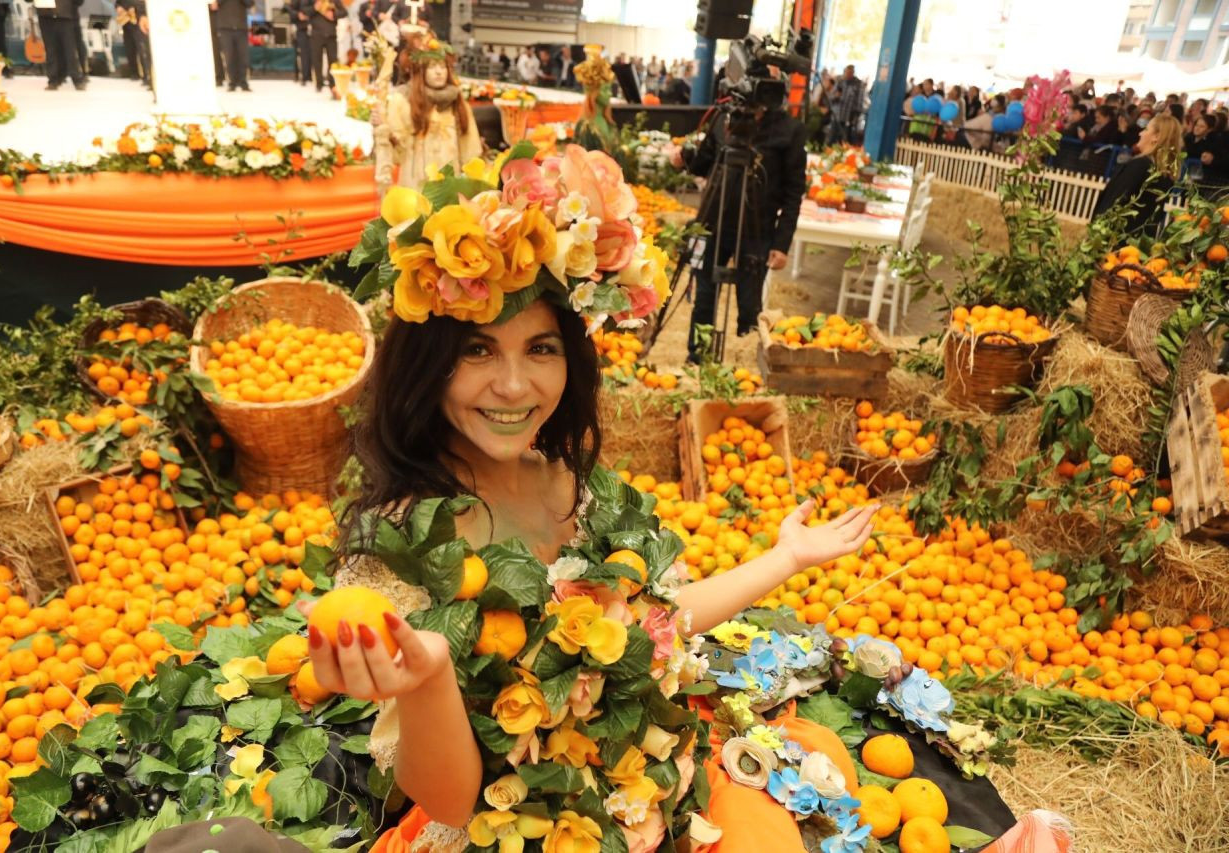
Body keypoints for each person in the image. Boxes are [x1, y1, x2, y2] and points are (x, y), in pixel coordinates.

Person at [304, 190, 881, 847]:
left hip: (642, 798)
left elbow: (660, 621)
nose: (515, 385)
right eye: (477, 350)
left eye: (541, 348)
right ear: (427, 365)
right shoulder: (403, 546)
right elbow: (452, 798)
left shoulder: (578, 490)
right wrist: (431, 678)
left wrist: (786, 558)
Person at [675, 95, 807, 356]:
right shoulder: (724, 117)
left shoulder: (789, 130)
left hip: (757, 231)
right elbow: (704, 163)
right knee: (704, 299)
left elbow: (794, 193)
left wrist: (782, 243)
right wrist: (684, 158)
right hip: (712, 224)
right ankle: (698, 358)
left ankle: (746, 364)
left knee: (749, 306)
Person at [379, 37, 481, 189]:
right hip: (415, 184)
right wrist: (383, 131)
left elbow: (470, 149)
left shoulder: (457, 102)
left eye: (443, 66)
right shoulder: (403, 100)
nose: (439, 72)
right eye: (432, 67)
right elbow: (396, 151)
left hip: (449, 185)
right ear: (421, 71)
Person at [1093, 112, 1182, 237]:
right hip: (1138, 243)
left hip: (1114, 238)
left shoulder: (1140, 165)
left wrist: (1097, 232)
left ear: (1156, 136)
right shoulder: (1166, 174)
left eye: (1146, 129)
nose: (1140, 133)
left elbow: (1115, 200)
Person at [28, 0, 85, 90]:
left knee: (69, 49)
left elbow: (79, 2)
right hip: (45, 16)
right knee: (50, 49)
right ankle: (53, 79)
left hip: (65, 16)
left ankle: (77, 79)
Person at [212, 0, 252, 92]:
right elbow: (214, 5)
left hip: (241, 27)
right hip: (225, 27)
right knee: (229, 56)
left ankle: (243, 82)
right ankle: (232, 82)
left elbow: (250, 3)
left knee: (243, 56)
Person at [826, 64, 865, 145]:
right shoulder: (840, 82)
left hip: (848, 117)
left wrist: (856, 116)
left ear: (853, 73)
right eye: (846, 73)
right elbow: (830, 96)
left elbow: (859, 102)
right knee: (832, 138)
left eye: (850, 73)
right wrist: (835, 96)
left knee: (844, 140)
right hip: (837, 115)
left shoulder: (858, 84)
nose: (848, 75)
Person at [116, 0, 150, 87]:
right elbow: (118, 2)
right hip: (126, 22)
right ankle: (134, 73)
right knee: (129, 48)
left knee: (142, 49)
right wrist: (118, 7)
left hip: (139, 19)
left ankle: (147, 75)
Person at [309, 0, 338, 96]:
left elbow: (344, 12)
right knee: (317, 60)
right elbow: (305, 12)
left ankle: (332, 84)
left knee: (333, 61)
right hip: (317, 35)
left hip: (331, 35)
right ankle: (319, 84)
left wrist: (333, 14)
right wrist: (315, 8)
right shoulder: (312, 1)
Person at [290, 0, 311, 85]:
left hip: (312, 27)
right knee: (300, 54)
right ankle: (299, 75)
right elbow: (289, 8)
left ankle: (308, 76)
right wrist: (298, 14)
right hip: (299, 27)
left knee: (309, 54)